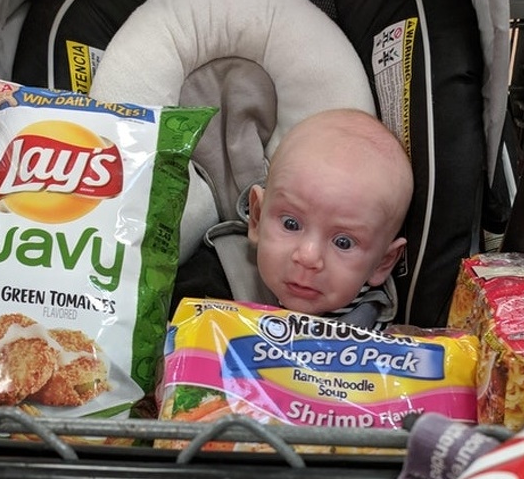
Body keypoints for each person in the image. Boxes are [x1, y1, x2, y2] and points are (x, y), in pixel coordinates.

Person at [170, 108, 414, 330]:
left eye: (343, 242)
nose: (308, 257)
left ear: (382, 262)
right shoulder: (217, 275)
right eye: (291, 224)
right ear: (257, 217)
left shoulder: (377, 318)